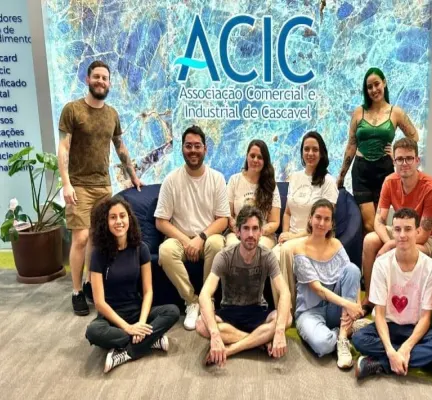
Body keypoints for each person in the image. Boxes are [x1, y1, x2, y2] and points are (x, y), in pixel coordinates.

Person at [58, 60, 142, 316]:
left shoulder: (112, 114)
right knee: (81, 238)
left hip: (103, 186)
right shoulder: (73, 110)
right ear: (88, 79)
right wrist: (66, 183)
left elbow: (120, 147)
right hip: (79, 185)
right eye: (96, 77)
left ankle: (88, 284)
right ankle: (76, 291)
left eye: (105, 78)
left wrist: (133, 176)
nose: (100, 82)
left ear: (109, 83)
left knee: (96, 238)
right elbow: (63, 147)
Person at [352, 208, 432, 379]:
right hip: (388, 325)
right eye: (397, 229)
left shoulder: (431, 268)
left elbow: (426, 318)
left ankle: (380, 364)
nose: (402, 235)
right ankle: (426, 361)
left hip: (415, 329)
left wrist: (405, 349)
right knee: (359, 338)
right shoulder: (381, 264)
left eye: (408, 229)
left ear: (417, 232)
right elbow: (379, 315)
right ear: (392, 232)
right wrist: (390, 350)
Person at [84, 196, 179, 373]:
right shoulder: (98, 254)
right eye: (113, 217)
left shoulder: (141, 248)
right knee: (93, 331)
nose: (119, 221)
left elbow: (148, 291)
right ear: (105, 222)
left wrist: (141, 323)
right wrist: (128, 328)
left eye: (122, 216)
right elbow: (99, 303)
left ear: (129, 218)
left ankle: (126, 352)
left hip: (136, 311)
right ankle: (151, 340)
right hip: (111, 317)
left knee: (172, 311)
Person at [195, 205, 292, 366]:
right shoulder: (224, 256)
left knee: (286, 318)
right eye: (246, 228)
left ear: (261, 232)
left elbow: (285, 292)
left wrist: (280, 330)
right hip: (229, 311)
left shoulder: (267, 256)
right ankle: (260, 341)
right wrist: (215, 334)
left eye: (255, 229)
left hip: (257, 310)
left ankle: (232, 349)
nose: (251, 234)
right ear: (238, 232)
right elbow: (205, 294)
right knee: (201, 324)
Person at [155, 125, 230, 330]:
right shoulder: (171, 180)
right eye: (188, 146)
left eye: (197, 146)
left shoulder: (217, 178)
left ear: (205, 149)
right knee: (165, 251)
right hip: (180, 239)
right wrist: (187, 241)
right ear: (182, 148)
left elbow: (223, 220)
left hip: (207, 237)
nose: (193, 150)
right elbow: (161, 221)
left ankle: (207, 300)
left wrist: (200, 238)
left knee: (217, 244)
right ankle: (192, 301)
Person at [362, 137, 432, 312]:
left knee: (409, 249)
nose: (404, 164)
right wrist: (389, 241)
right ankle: (370, 297)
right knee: (369, 240)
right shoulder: (390, 181)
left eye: (409, 158)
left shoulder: (430, 187)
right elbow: (379, 220)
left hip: (427, 239)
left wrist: (391, 245)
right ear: (394, 162)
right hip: (400, 232)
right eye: (399, 159)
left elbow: (423, 235)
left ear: (417, 160)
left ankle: (408, 307)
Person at [337, 67, 419, 233]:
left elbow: (414, 137)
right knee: (368, 224)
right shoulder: (359, 112)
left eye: (376, 84)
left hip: (384, 170)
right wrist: (341, 175)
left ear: (384, 83)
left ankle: (380, 250)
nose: (374, 90)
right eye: (369, 87)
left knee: (379, 222)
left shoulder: (396, 113)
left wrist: (396, 154)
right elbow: (351, 144)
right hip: (361, 171)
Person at [292, 199, 363, 370]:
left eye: (326, 219)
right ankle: (346, 330)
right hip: (310, 311)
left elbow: (352, 275)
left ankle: (343, 337)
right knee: (323, 344)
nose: (322, 223)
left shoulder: (336, 244)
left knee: (353, 268)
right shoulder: (300, 249)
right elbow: (318, 290)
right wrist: (349, 305)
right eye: (318, 217)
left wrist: (358, 304)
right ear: (310, 219)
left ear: (331, 224)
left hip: (335, 309)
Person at [274, 131, 338, 309]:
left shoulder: (328, 182)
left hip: (316, 237)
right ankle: (281, 306)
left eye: (315, 150)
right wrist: (285, 233)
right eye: (306, 149)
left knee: (285, 251)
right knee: (272, 256)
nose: (310, 153)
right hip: (292, 237)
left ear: (322, 153)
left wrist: (292, 238)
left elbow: (324, 223)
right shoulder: (295, 177)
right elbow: (287, 213)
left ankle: (291, 308)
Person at [226, 139, 281, 249]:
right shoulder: (234, 180)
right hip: (237, 233)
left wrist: (257, 232)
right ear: (247, 157)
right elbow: (228, 215)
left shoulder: (271, 185)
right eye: (252, 156)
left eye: (260, 157)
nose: (255, 160)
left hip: (263, 235)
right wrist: (241, 231)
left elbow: (275, 221)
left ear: (265, 160)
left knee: (259, 248)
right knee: (234, 247)